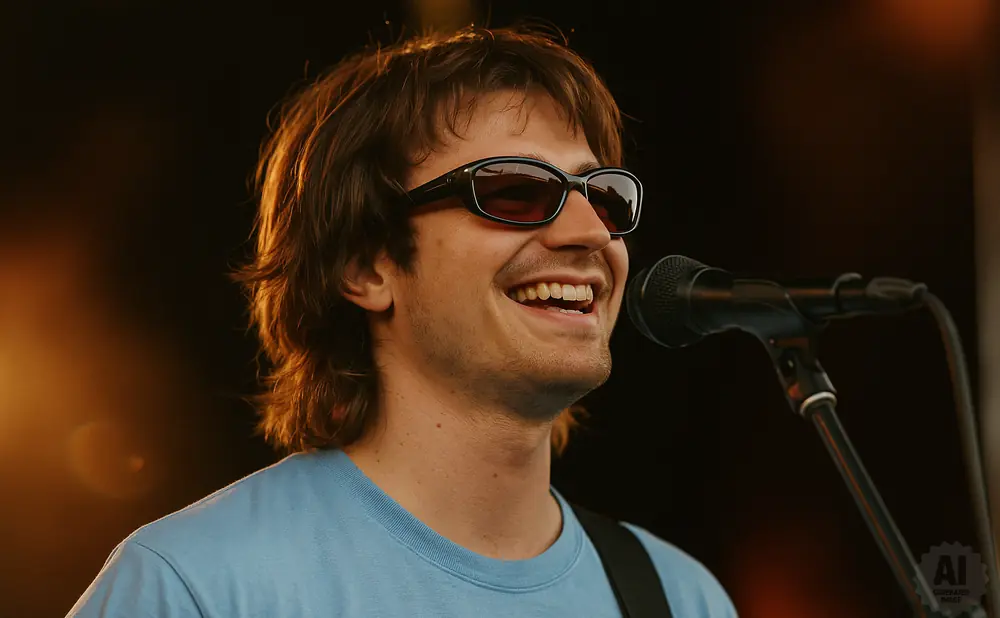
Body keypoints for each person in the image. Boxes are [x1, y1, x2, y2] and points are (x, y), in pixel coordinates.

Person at [68, 26, 737, 617]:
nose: (591, 230)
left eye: (603, 194)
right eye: (514, 190)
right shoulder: (197, 585)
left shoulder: (680, 598)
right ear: (364, 265)